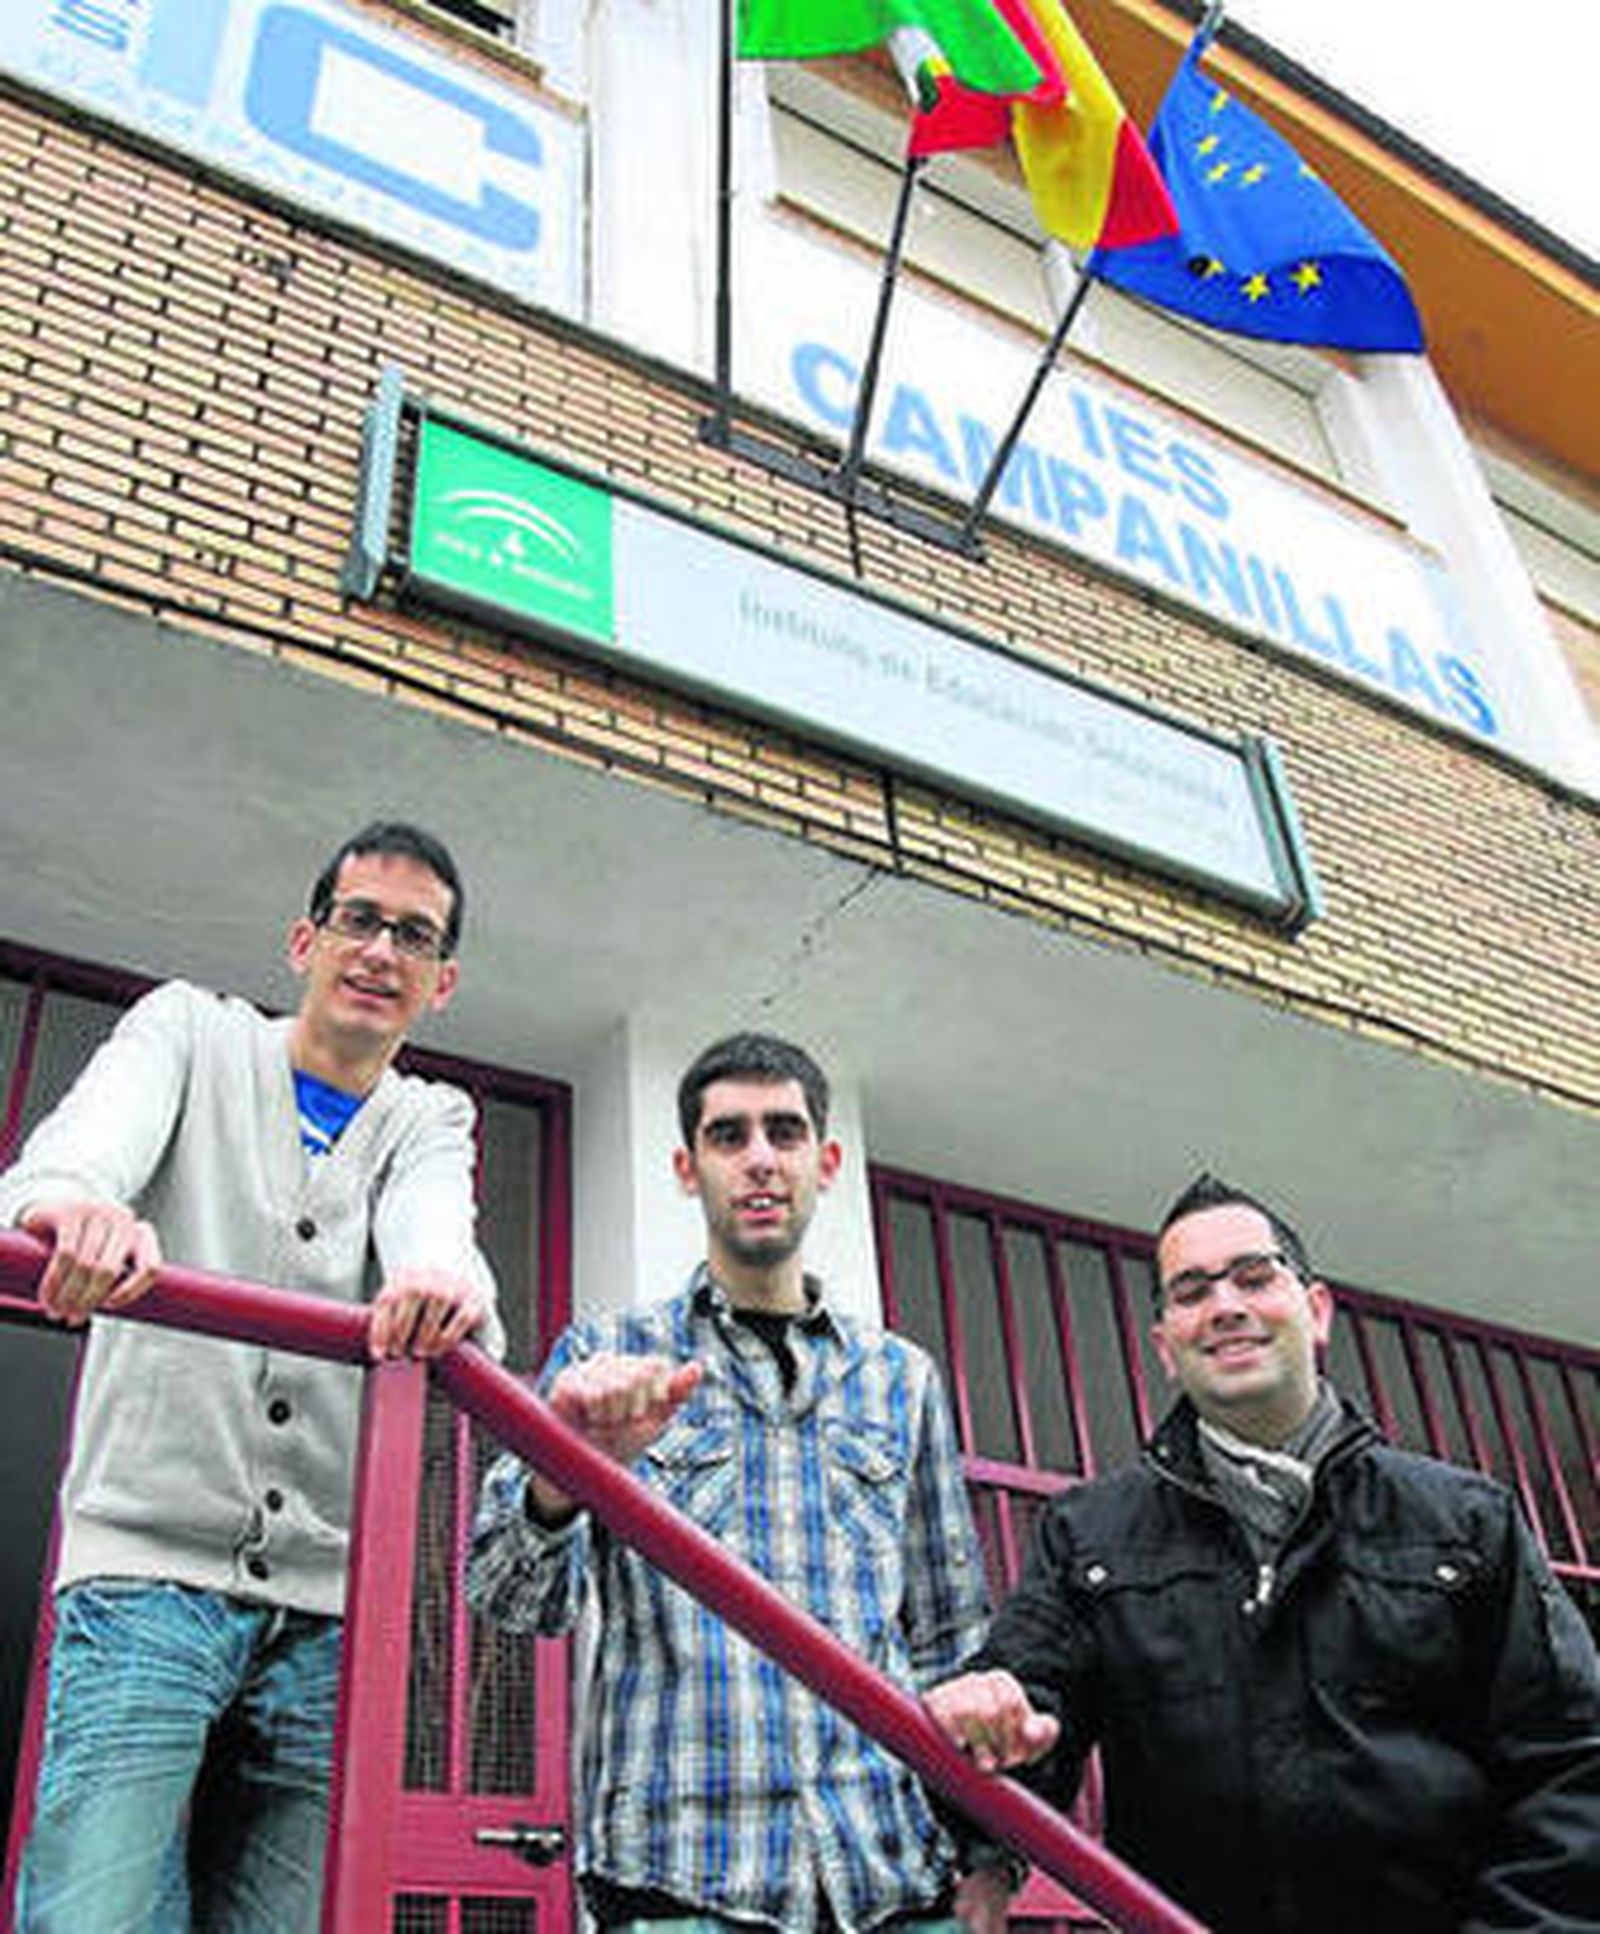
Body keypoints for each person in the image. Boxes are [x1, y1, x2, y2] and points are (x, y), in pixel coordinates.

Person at [2, 820, 503, 1934]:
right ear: (303, 939)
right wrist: (79, 1203)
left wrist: (437, 1279)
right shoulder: (191, 1029)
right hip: (145, 1568)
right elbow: (81, 1146)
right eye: (358, 920)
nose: (379, 950)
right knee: (96, 1909)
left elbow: (439, 1235)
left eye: (413, 936)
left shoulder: (429, 1115)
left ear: (441, 982)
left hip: (327, 1606)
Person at [926, 1173, 1600, 1934]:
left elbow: (1575, 1767)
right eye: (1190, 1292)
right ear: (1165, 1348)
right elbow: (1022, 1737)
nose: (1225, 1307)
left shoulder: (1467, 1519)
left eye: (1254, 1276)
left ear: (1316, 1312)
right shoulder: (1089, 1534)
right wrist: (987, 1724)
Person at [468, 1031, 993, 1932]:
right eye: (729, 1136)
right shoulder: (606, 1359)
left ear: (826, 1162)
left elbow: (953, 1635)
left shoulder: (902, 1379)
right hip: (682, 1880)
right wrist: (569, 1472)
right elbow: (506, 1597)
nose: (759, 1161)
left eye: (784, 1134)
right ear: (686, 1167)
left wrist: (989, 1854)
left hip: (893, 1874)